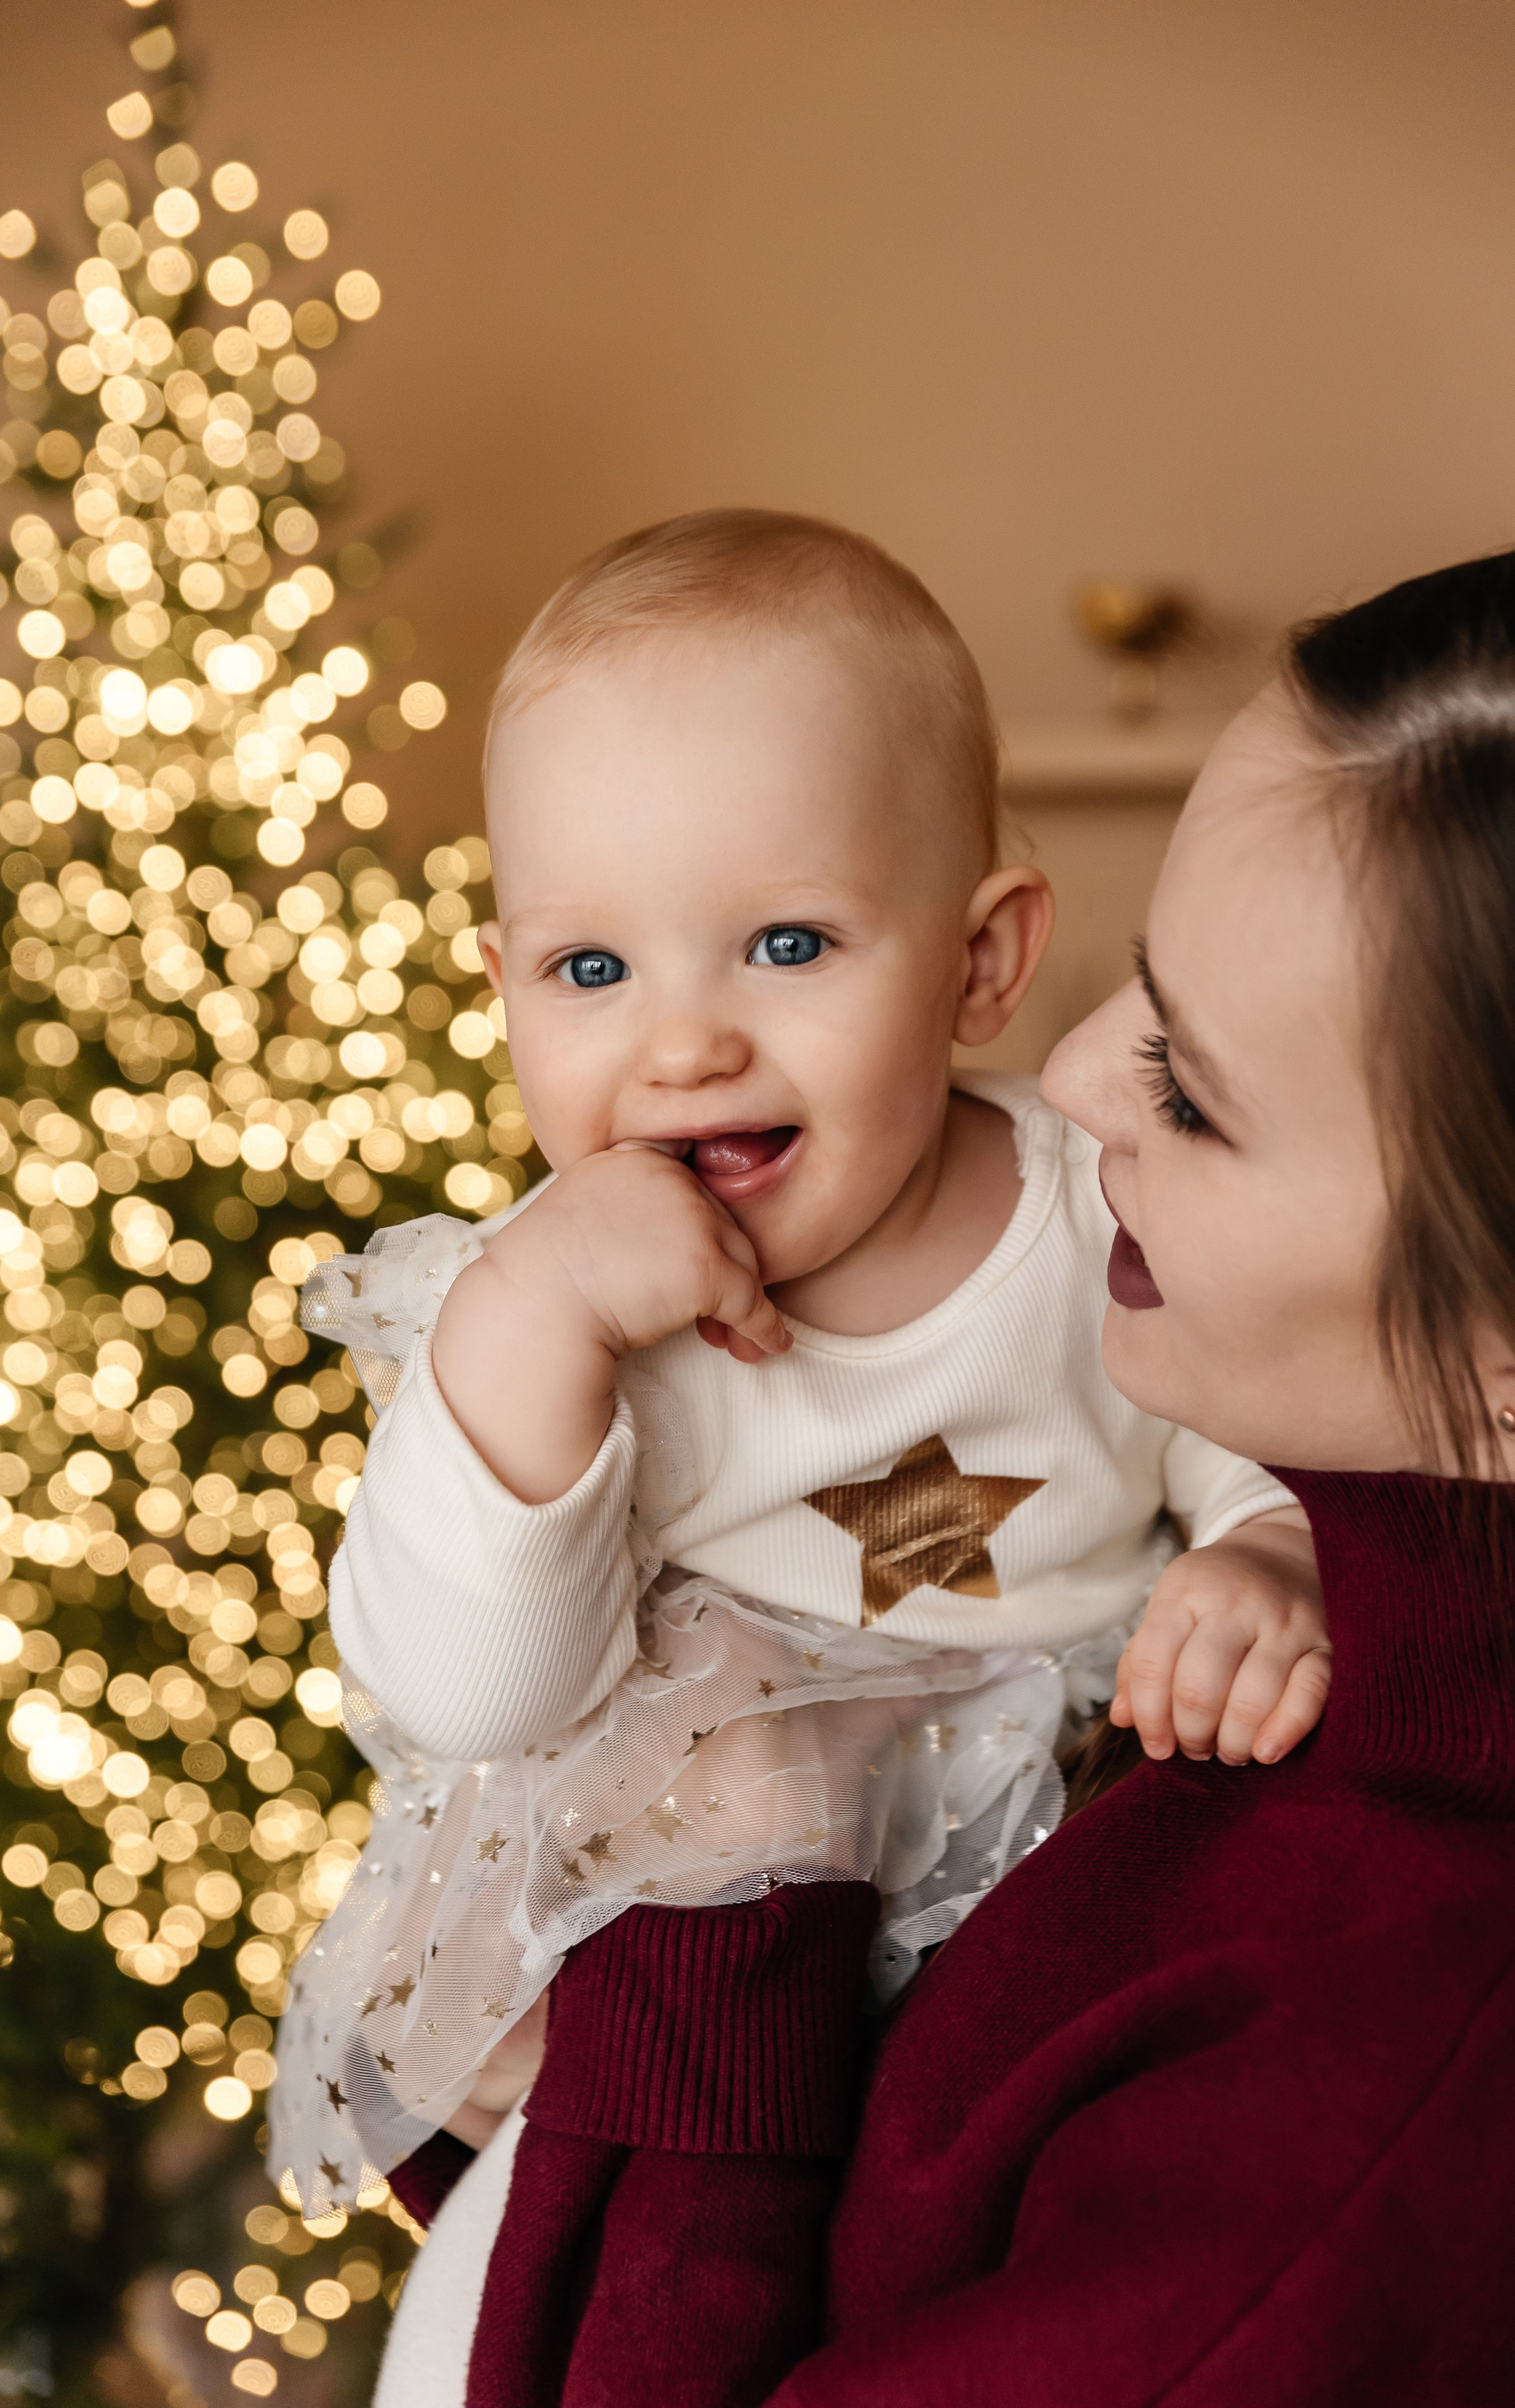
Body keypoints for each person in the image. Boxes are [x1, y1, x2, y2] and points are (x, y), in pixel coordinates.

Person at [446, 546, 1515, 2408]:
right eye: (1135, 1000)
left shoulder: (1361, 2099)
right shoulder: (1344, 1624)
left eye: (1191, 1088)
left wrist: (713, 1957)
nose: (1071, 1086)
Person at [270, 510, 1329, 2374]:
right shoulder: (535, 1307)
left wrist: (1264, 1547)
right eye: (591, 972)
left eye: (784, 943)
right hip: (686, 1943)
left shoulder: (1094, 1204)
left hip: (1045, 1871)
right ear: (505, 982)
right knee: (549, 2292)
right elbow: (463, 1693)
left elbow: (1257, 1403)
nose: (682, 1047)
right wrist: (541, 1326)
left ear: (985, 964)